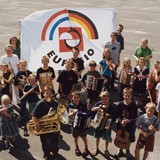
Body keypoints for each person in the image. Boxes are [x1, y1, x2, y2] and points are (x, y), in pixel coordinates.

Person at [31, 85, 59, 160]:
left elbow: (58, 114)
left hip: (53, 126)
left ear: (52, 94)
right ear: (43, 94)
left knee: (55, 141)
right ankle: (46, 154)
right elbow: (34, 115)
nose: (48, 94)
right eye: (46, 93)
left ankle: (55, 153)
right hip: (43, 127)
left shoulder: (55, 103)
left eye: (50, 93)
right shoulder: (40, 103)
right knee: (45, 142)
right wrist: (36, 124)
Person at [91, 91, 116, 158]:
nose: (104, 100)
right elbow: (92, 109)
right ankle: (97, 148)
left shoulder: (112, 107)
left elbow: (114, 117)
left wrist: (110, 126)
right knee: (97, 136)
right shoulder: (100, 103)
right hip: (99, 124)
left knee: (107, 138)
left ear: (109, 98)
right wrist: (99, 107)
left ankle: (106, 150)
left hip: (107, 126)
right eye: (102, 99)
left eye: (106, 98)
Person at [115, 87, 138, 159]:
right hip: (120, 124)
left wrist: (129, 121)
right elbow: (117, 114)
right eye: (125, 95)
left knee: (128, 137)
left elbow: (135, 117)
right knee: (120, 135)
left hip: (130, 125)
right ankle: (120, 149)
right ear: (123, 95)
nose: (127, 97)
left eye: (129, 95)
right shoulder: (120, 104)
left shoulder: (134, 105)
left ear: (131, 96)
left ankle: (127, 150)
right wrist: (120, 121)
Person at [67, 92, 91, 156]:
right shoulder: (70, 106)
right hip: (74, 125)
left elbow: (87, 114)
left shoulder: (83, 105)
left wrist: (88, 123)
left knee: (84, 137)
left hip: (82, 125)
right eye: (75, 98)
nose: (76, 99)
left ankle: (86, 147)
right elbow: (66, 116)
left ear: (79, 98)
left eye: (77, 98)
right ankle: (76, 148)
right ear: (72, 98)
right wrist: (72, 113)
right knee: (75, 137)